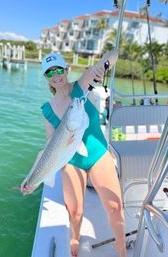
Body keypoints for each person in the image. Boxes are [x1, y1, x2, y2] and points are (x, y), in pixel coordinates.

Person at [21, 52, 127, 257]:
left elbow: (113, 55)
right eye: (50, 72)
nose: (56, 74)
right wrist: (32, 178)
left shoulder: (82, 86)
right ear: (46, 77)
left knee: (115, 207)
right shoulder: (47, 109)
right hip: (71, 159)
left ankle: (121, 248)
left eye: (59, 69)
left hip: (96, 153)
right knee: (75, 212)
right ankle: (75, 238)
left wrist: (103, 65)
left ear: (66, 70)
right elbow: (49, 146)